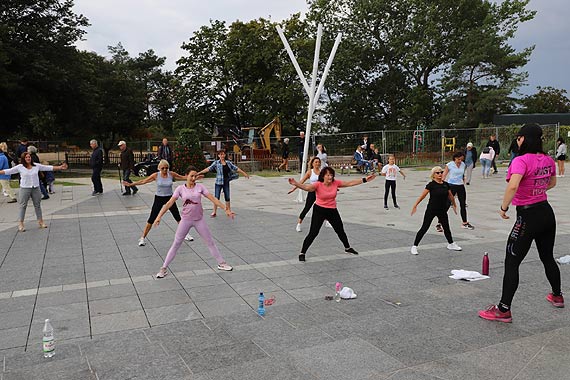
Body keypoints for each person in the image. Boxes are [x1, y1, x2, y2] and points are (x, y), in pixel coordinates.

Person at [479, 123, 562, 323]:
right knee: (547, 257)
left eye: (518, 137)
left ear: (523, 139)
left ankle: (503, 309)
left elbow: (513, 185)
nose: (517, 140)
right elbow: (552, 182)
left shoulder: (521, 160)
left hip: (527, 216)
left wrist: (503, 208)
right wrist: (537, 191)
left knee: (512, 261)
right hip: (546, 213)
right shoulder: (548, 160)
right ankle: (557, 295)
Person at [154, 166, 234, 278]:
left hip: (199, 220)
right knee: (176, 244)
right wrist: (159, 216)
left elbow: (213, 198)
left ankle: (222, 263)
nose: (193, 178)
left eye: (195, 176)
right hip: (185, 221)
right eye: (191, 176)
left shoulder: (200, 187)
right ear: (186, 176)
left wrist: (226, 209)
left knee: (210, 242)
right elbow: (169, 203)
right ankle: (163, 268)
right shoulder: (180, 189)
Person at [288, 167, 376, 262]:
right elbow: (307, 188)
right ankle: (302, 252)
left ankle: (347, 248)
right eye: (328, 175)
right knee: (313, 233)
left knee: (340, 230)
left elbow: (349, 183)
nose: (330, 177)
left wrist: (365, 180)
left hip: (332, 210)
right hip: (319, 210)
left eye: (331, 175)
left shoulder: (336, 183)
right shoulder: (318, 184)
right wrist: (296, 183)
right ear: (323, 176)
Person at [123, 159, 194, 246]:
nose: (165, 170)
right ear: (159, 168)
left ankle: (186, 234)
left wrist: (194, 177)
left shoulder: (171, 174)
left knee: (177, 217)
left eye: (166, 168)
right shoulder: (156, 175)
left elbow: (184, 178)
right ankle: (142, 238)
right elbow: (143, 181)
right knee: (151, 218)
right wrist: (131, 185)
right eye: (163, 168)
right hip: (159, 198)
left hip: (169, 198)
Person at [0, 152, 67, 231]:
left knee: (37, 205)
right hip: (25, 188)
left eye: (29, 157)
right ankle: (21, 224)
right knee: (23, 206)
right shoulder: (20, 167)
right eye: (26, 157)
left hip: (35, 188)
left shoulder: (36, 166)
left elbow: (47, 167)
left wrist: (59, 167)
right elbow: (9, 171)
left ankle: (40, 221)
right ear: (23, 159)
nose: (28, 158)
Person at [410, 166, 462, 255]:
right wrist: (415, 205)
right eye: (437, 173)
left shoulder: (446, 184)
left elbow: (451, 196)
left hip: (442, 210)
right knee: (424, 227)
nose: (440, 174)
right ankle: (414, 246)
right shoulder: (431, 185)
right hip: (432, 209)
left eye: (441, 172)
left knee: (446, 227)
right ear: (433, 175)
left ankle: (451, 244)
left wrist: (454, 205)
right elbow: (423, 196)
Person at [197, 149, 249, 217]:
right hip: (218, 182)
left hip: (226, 181)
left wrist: (244, 173)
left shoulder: (228, 163)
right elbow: (208, 168)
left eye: (223, 154)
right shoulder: (216, 163)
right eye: (220, 154)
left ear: (225, 155)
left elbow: (236, 168)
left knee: (227, 196)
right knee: (216, 197)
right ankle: (214, 212)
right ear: (218, 155)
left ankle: (228, 211)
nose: (222, 155)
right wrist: (199, 172)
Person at [437, 151, 474, 231]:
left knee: (463, 204)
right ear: (455, 158)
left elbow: (462, 175)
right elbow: (444, 175)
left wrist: (463, 182)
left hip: (460, 186)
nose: (460, 161)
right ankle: (439, 223)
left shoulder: (463, 165)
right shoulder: (449, 165)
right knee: (447, 204)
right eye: (459, 159)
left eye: (461, 159)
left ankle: (465, 222)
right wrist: (441, 185)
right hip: (451, 185)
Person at [290, 157, 322, 232]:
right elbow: (301, 181)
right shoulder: (310, 172)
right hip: (312, 191)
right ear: (313, 164)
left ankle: (328, 221)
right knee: (307, 208)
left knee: (324, 207)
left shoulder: (322, 172)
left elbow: (326, 182)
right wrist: (294, 188)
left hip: (320, 192)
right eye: (316, 162)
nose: (317, 163)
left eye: (318, 162)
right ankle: (299, 224)